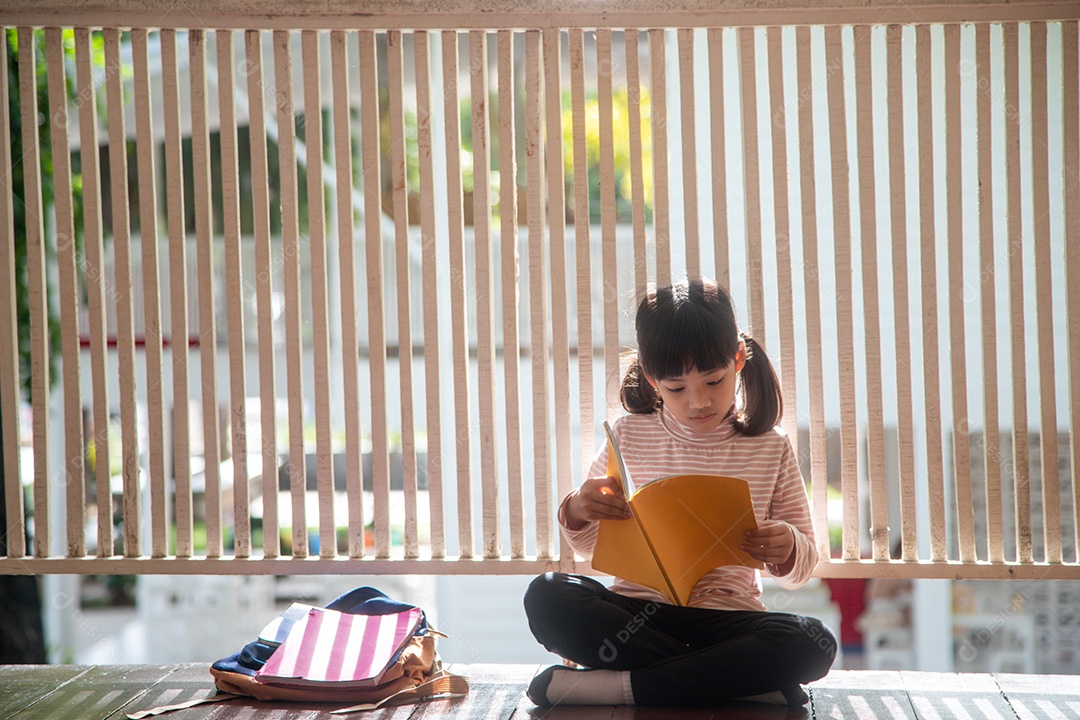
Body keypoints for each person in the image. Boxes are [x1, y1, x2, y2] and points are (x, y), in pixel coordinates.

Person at [523, 277, 836, 708]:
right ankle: (737, 682)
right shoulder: (629, 434)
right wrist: (579, 510)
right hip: (637, 619)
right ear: (652, 380)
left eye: (713, 381)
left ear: (739, 359)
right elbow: (591, 545)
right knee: (548, 593)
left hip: (727, 621)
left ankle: (616, 687)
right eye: (676, 389)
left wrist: (787, 545)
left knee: (814, 641)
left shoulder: (769, 445)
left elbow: (803, 566)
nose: (698, 402)